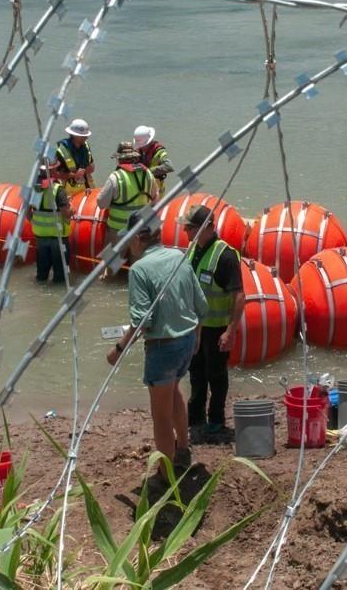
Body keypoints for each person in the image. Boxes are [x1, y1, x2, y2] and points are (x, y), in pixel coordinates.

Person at [107, 211, 207, 478]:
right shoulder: (179, 256)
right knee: (174, 392)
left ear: (137, 238)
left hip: (164, 348)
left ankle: (166, 474)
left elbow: (143, 321)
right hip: (187, 341)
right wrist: (196, 336)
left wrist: (117, 350)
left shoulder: (139, 270)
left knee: (160, 416)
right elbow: (201, 304)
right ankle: (183, 448)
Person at [181, 204, 245, 443]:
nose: (186, 231)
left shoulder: (225, 255)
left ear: (207, 227)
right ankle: (195, 416)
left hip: (216, 328)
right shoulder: (192, 250)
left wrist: (231, 331)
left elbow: (239, 296)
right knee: (196, 373)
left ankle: (216, 420)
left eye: (190, 227)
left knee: (216, 375)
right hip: (195, 327)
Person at [97, 142, 159, 248]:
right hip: (140, 228)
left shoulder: (116, 176)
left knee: (113, 261)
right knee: (137, 261)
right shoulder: (147, 173)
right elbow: (156, 199)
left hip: (118, 230)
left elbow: (101, 203)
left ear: (119, 159)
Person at [26, 165, 72, 284]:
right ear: (52, 172)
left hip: (40, 238)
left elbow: (26, 212)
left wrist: (35, 223)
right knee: (60, 276)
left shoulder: (33, 190)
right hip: (58, 238)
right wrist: (73, 209)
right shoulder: (58, 189)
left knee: (41, 274)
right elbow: (66, 214)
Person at [55, 118, 95, 196]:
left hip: (88, 189)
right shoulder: (61, 151)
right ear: (74, 136)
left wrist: (89, 169)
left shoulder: (86, 147)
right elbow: (57, 174)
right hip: (70, 192)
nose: (86, 138)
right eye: (83, 136)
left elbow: (92, 166)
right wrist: (75, 175)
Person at [133, 125, 174, 196]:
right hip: (142, 192)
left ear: (149, 142)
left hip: (157, 192)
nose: (141, 147)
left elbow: (169, 166)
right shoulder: (138, 152)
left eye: (143, 146)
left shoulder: (159, 152)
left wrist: (148, 171)